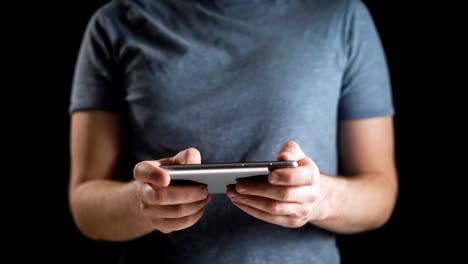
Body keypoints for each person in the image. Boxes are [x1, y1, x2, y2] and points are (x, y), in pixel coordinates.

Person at [68, 0, 398, 263]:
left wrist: (319, 199)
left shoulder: (341, 16)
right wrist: (143, 201)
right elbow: (86, 207)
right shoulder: (116, 22)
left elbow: (380, 194)